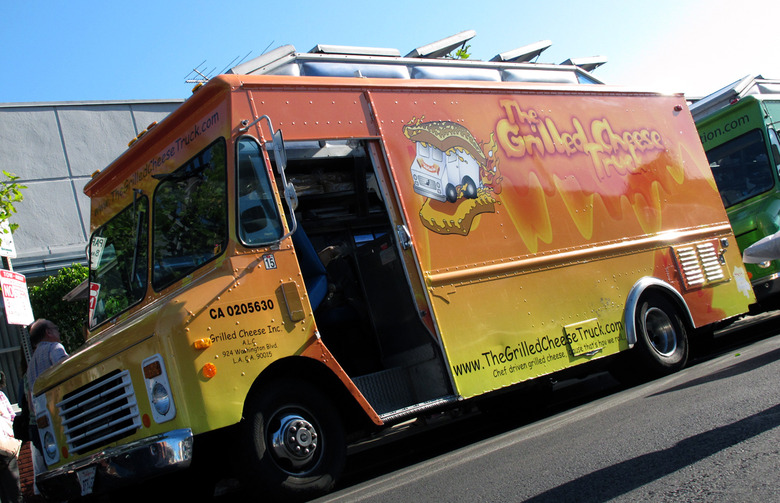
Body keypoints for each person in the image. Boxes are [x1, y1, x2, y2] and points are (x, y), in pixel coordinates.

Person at [0, 372, 23, 503]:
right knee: (13, 492)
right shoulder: (1, 396)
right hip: (6, 447)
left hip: (6, 447)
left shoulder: (1, 396)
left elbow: (12, 418)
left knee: (9, 492)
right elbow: (12, 418)